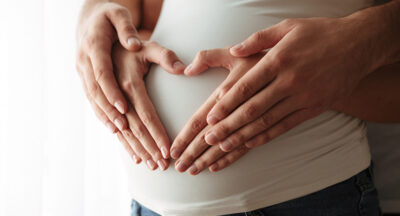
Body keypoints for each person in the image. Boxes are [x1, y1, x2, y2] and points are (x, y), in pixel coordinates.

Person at [75, 0, 400, 215]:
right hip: (151, 205)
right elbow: (138, 12)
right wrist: (106, 35)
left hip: (304, 197)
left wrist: (339, 64)